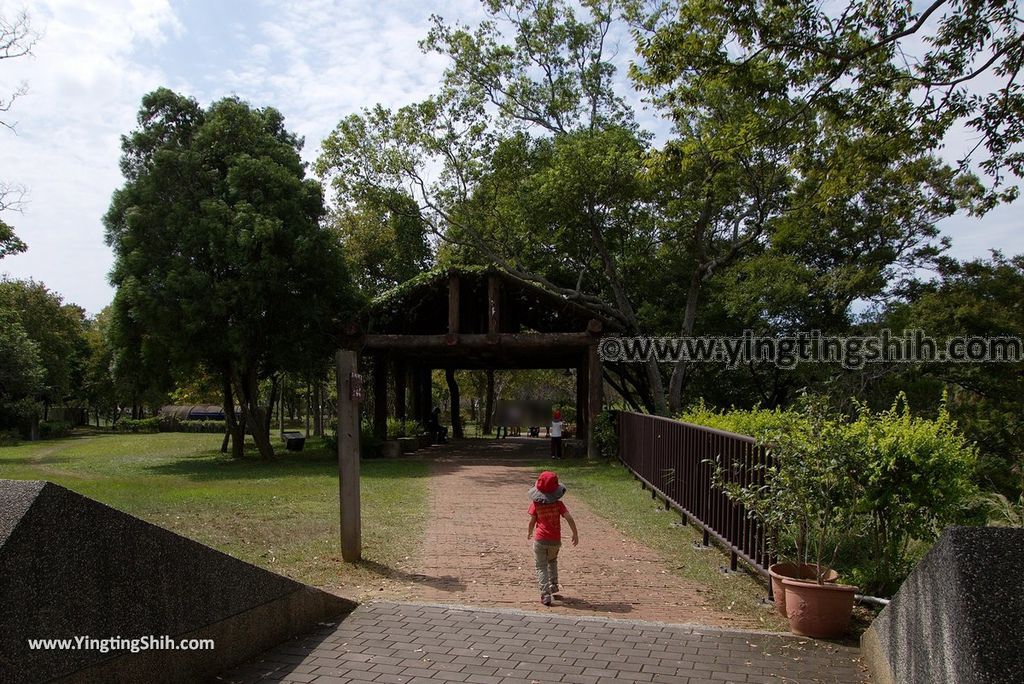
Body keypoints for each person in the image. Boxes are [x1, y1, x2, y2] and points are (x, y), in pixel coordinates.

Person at [527, 471, 578, 606]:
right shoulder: (559, 504)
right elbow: (569, 518)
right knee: (552, 560)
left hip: (540, 539)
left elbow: (532, 521)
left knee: (541, 566)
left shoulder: (535, 504)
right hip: (555, 541)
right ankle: (554, 584)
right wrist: (575, 533)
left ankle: (545, 594)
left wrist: (530, 531)